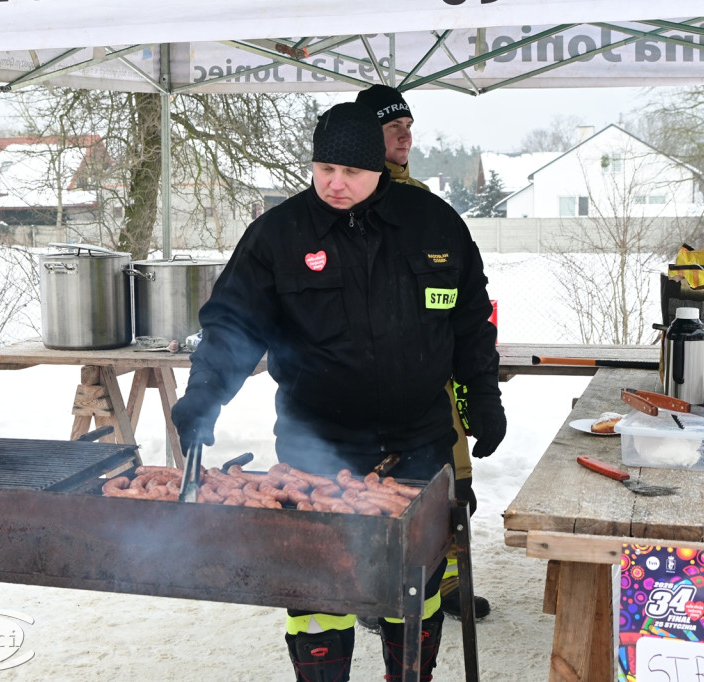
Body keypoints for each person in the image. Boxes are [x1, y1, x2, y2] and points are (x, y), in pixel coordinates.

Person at [171, 102, 504, 682]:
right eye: (324, 168)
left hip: (419, 444)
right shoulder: (278, 234)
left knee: (414, 585)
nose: (335, 184)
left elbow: (471, 324)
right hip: (316, 448)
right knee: (318, 588)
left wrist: (484, 397)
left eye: (350, 172)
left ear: (379, 167)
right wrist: (204, 396)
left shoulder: (434, 225)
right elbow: (232, 326)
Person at [355, 83, 494, 624]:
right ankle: (375, 587)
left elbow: (466, 307)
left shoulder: (431, 211)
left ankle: (450, 578)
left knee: (451, 488)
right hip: (366, 391)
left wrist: (480, 391)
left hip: (432, 387)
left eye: (408, 126)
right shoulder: (344, 204)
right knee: (379, 492)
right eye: (394, 128)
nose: (406, 135)